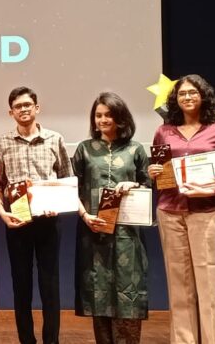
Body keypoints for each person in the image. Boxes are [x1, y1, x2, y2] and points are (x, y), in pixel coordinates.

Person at [147, 74, 215, 344]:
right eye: (182, 94)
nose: (187, 97)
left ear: (203, 96)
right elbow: (161, 175)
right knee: (179, 286)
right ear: (175, 100)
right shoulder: (163, 132)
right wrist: (153, 172)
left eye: (193, 92)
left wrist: (213, 189)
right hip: (170, 211)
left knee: (210, 285)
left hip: (207, 213)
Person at [0, 86, 73, 344]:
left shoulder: (54, 139)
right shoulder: (0, 144)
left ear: (37, 108)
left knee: (50, 284)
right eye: (18, 106)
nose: (23, 109)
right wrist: (2, 213)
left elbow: (66, 178)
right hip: (17, 220)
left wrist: (58, 204)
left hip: (49, 219)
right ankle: (26, 340)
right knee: (21, 284)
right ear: (10, 112)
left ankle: (52, 340)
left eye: (28, 105)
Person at [71, 92, 151, 344]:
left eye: (108, 115)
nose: (103, 119)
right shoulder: (84, 149)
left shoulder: (135, 149)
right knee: (99, 295)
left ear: (120, 117)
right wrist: (85, 216)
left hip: (127, 234)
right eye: (98, 115)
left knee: (128, 293)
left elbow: (147, 185)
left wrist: (133, 186)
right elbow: (73, 189)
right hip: (93, 232)